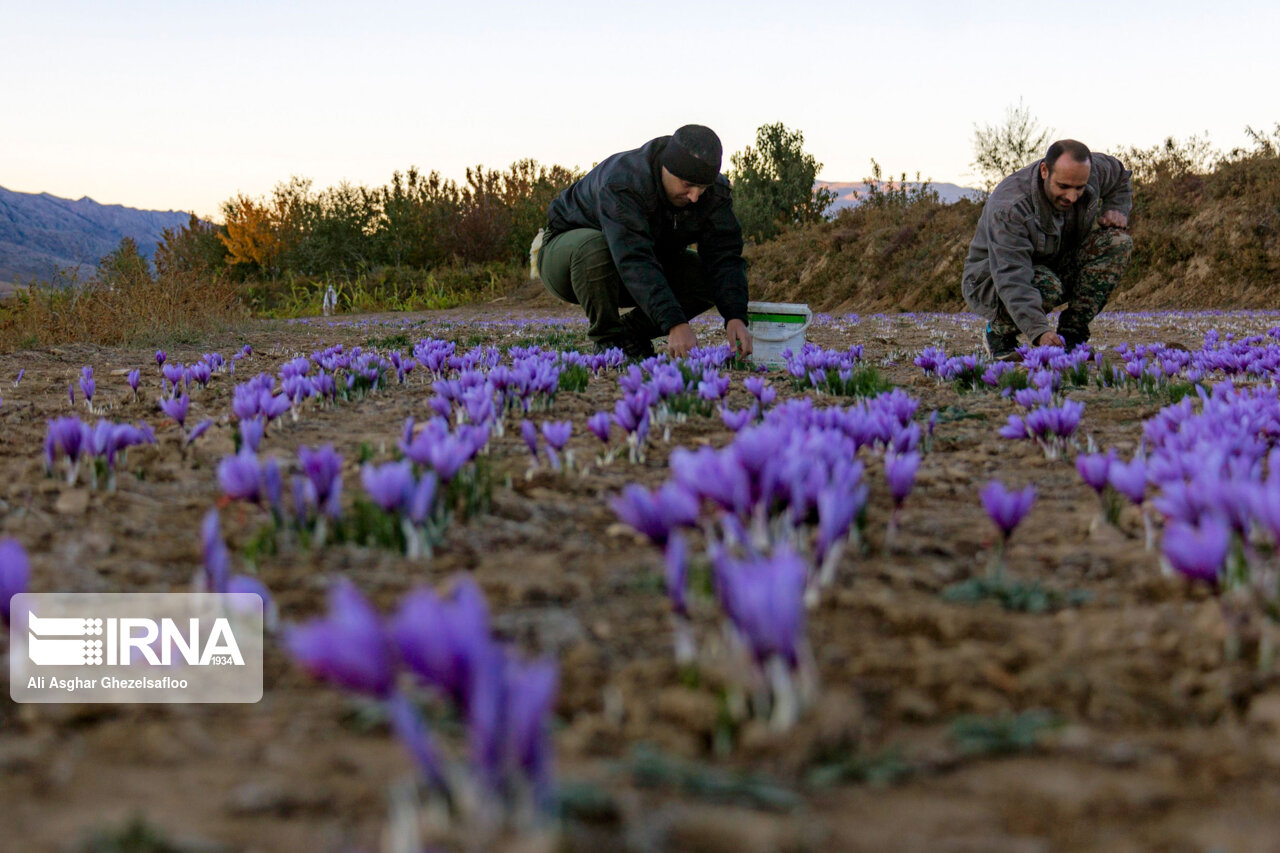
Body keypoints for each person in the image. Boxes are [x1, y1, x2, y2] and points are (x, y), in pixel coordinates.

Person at [535, 125, 754, 360]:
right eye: (687, 185)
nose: (694, 196)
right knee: (595, 249)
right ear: (666, 169)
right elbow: (634, 257)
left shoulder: (714, 193)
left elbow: (724, 256)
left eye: (702, 187)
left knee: (706, 276)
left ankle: (629, 335)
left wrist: (735, 315)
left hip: (642, 262)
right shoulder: (624, 181)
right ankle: (607, 341)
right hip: (567, 260)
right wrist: (674, 322)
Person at [962, 139, 1133, 358]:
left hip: (1054, 262)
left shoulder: (1093, 170)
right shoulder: (1009, 208)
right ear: (1045, 171)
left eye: (1079, 188)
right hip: (991, 279)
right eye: (1063, 187)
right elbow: (1012, 276)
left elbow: (1120, 176)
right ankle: (998, 331)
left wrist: (1116, 208)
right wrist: (1039, 331)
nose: (1072, 197)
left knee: (1118, 243)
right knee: (1047, 285)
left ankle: (1072, 336)